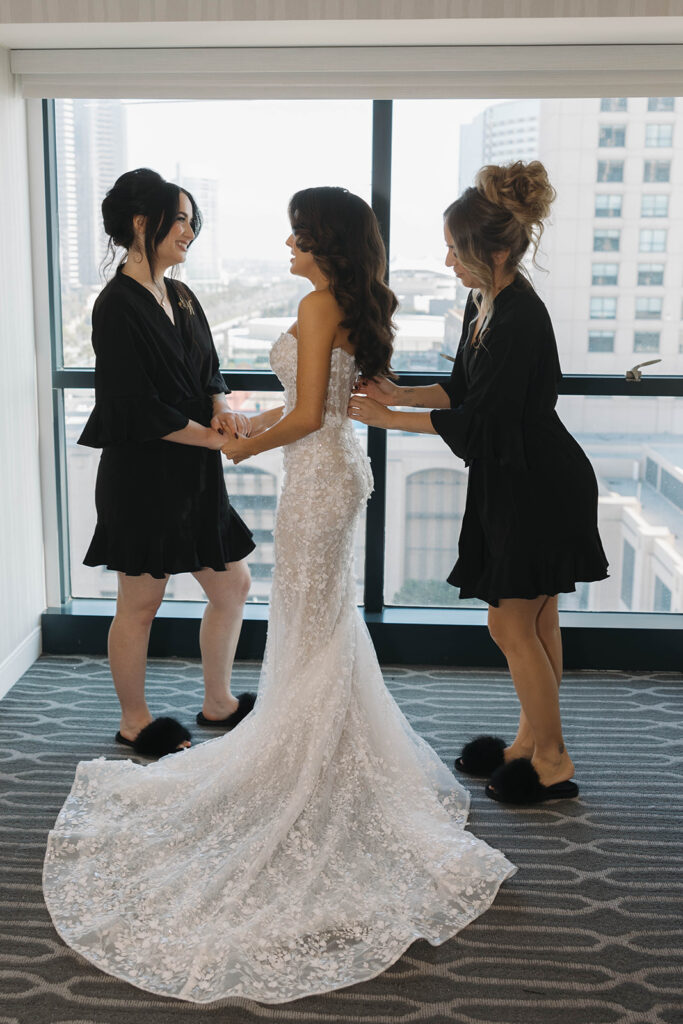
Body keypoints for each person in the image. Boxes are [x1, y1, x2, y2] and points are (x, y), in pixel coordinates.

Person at [43, 186, 515, 1004]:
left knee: (291, 607)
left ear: (325, 245)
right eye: (186, 219)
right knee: (287, 612)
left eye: (298, 236)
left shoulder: (280, 300)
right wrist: (256, 428)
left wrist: (242, 440)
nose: (286, 246)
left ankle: (290, 736)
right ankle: (232, 723)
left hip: (312, 473)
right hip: (297, 473)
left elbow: (300, 410)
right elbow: (316, 402)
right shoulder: (160, 302)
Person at [349, 162, 609, 806]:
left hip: (536, 480)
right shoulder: (484, 301)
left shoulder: (520, 315)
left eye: (455, 250)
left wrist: (389, 419)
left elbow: (483, 423)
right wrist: (399, 392)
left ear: (495, 251)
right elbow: (466, 391)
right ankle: (530, 741)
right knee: (536, 617)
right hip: (519, 474)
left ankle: (549, 758)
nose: (447, 261)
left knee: (509, 624)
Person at [77, 168, 256, 758]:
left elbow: (208, 369)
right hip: (145, 476)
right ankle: (135, 721)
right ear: (140, 223)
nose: (190, 230)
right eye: (180, 218)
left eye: (190, 219)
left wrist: (220, 405)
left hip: (195, 470)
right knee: (141, 602)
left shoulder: (181, 294)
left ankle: (219, 703)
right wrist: (212, 439)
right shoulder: (115, 306)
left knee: (232, 584)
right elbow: (133, 406)